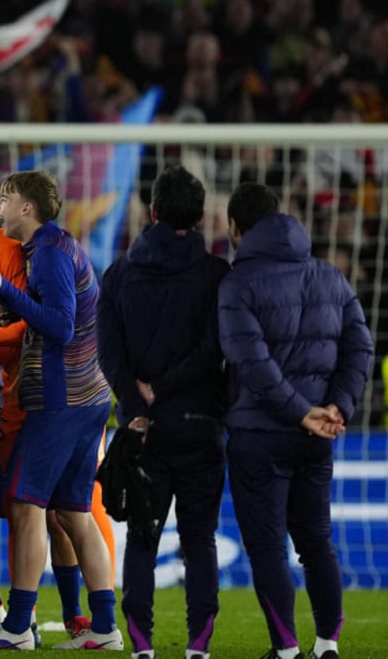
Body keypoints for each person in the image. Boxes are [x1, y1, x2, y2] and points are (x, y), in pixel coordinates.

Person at [218, 183, 372, 659]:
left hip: (259, 435)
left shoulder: (237, 282)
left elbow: (252, 363)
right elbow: (360, 348)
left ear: (235, 228)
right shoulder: (330, 275)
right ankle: (328, 644)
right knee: (316, 542)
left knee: (268, 548)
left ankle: (286, 651)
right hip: (317, 436)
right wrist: (336, 408)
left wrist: (303, 412)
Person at [0, 170, 119, 651]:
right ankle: (104, 628)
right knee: (75, 513)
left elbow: (61, 325)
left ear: (26, 207)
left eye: (4, 198)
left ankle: (16, 627)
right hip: (88, 398)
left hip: (62, 400)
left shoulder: (50, 254)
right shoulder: (57, 246)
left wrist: (3, 289)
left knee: (23, 504)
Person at [96, 164, 230, 659]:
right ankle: (198, 649)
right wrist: (166, 388)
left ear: (152, 212)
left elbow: (109, 354)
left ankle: (142, 649)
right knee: (200, 541)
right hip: (200, 427)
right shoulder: (217, 275)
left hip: (142, 432)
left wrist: (136, 406)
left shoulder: (119, 274)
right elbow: (215, 349)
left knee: (142, 542)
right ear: (199, 217)